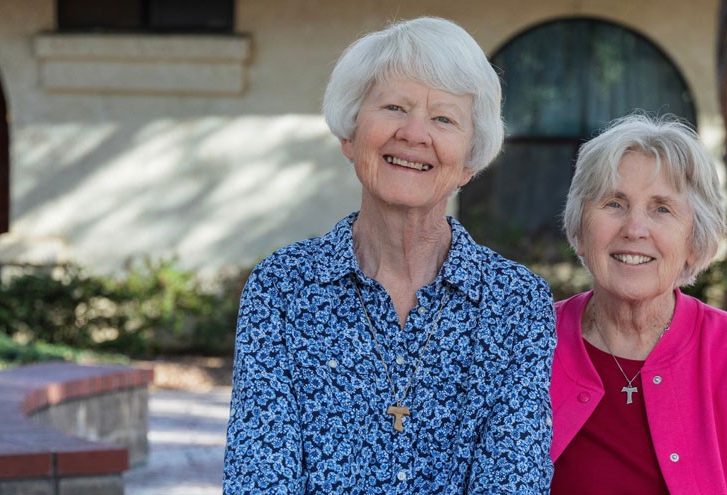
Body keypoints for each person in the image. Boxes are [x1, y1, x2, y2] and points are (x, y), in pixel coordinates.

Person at [223, 17, 555, 494]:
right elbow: (258, 479)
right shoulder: (282, 289)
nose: (414, 133)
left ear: (468, 162)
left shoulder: (515, 304)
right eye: (394, 107)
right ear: (350, 136)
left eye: (443, 118)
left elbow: (512, 481)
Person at [549, 114, 727, 494]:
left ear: (695, 241)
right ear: (580, 230)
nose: (634, 228)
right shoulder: (528, 343)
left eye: (661, 209)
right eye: (614, 203)